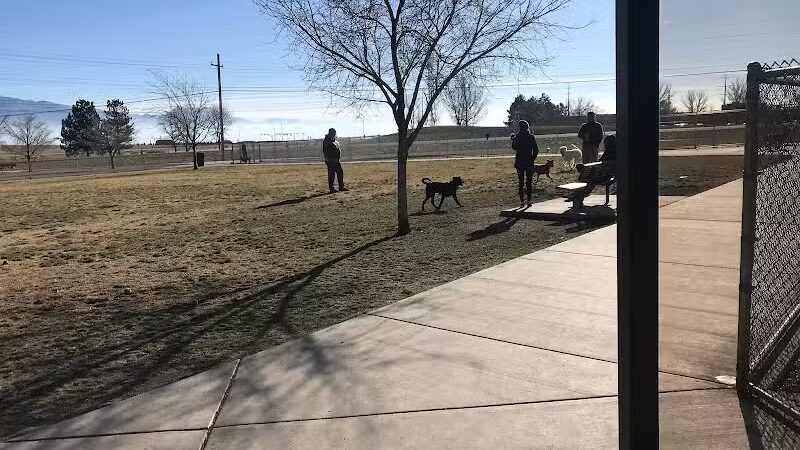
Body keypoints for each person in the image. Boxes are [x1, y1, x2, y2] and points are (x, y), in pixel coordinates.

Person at [511, 120, 539, 207]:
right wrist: (532, 159)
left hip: (519, 162)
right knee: (529, 182)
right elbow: (536, 150)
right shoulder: (531, 137)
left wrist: (513, 140)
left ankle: (522, 201)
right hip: (529, 161)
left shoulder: (517, 137)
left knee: (521, 181)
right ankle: (529, 200)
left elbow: (514, 148)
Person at [322, 128, 347, 193]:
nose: (335, 134)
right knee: (331, 174)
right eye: (334, 133)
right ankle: (332, 188)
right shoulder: (327, 140)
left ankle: (340, 187)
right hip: (330, 160)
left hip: (335, 160)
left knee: (339, 172)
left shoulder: (333, 140)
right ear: (331, 133)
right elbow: (328, 150)